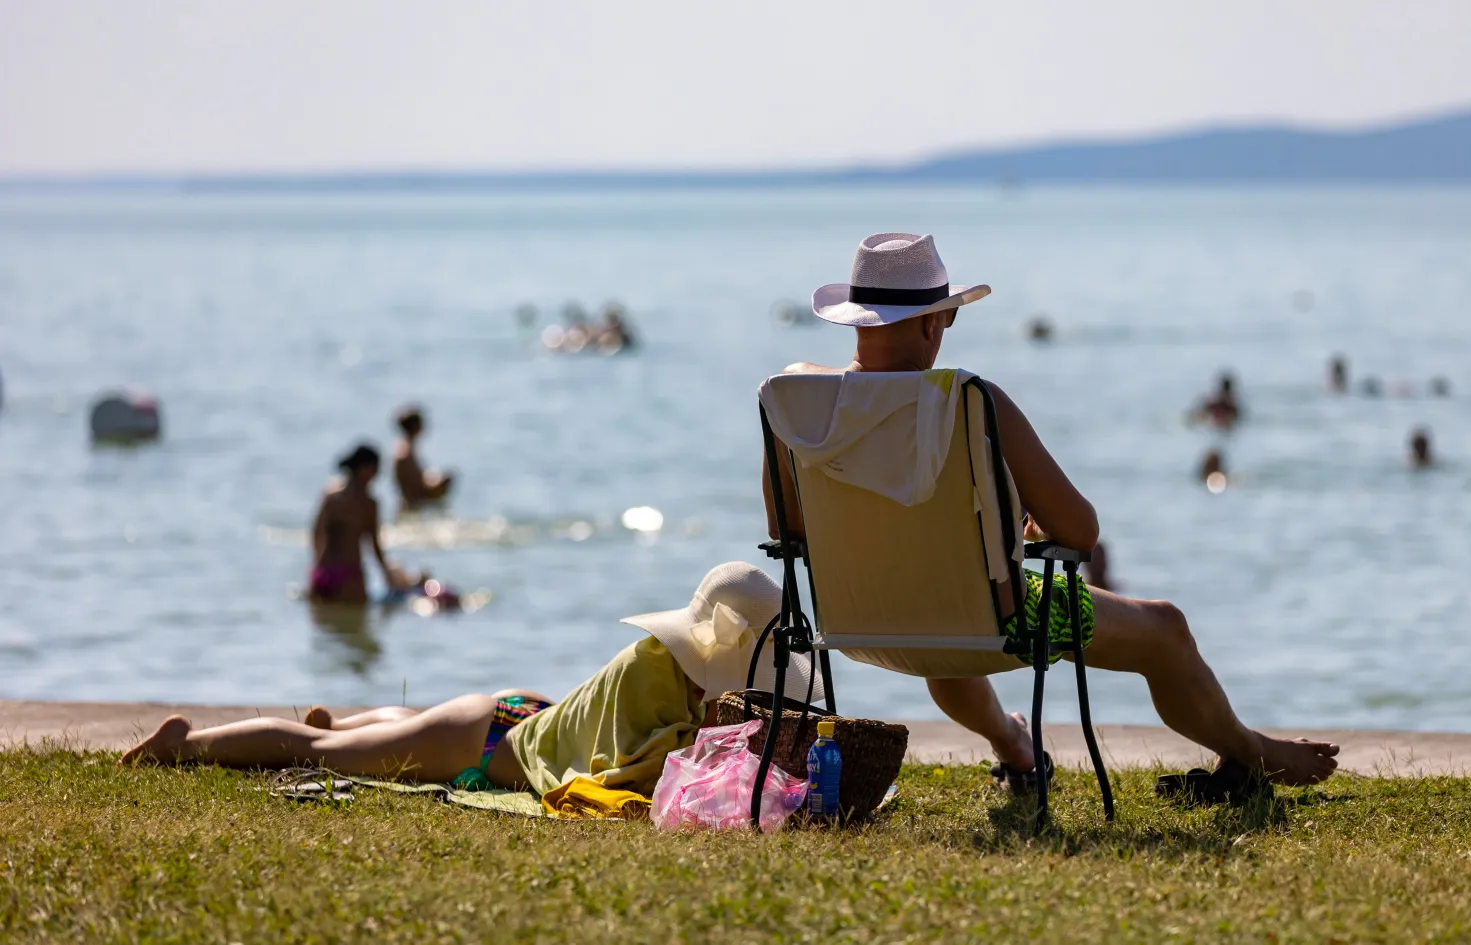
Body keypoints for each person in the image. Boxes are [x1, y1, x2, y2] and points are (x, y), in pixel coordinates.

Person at [763, 232, 1339, 789]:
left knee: (943, 609)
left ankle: (1014, 746)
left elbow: (786, 531)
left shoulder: (796, 403)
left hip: (858, 624)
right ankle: (1252, 753)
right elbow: (1082, 531)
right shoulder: (969, 401)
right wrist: (1018, 527)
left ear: (855, 319)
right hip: (994, 624)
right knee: (1165, 627)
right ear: (934, 321)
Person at [124, 563, 820, 799]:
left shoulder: (655, 665)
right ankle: (186, 744)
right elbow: (639, 775)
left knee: (390, 733)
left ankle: (344, 719)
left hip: (517, 715)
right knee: (322, 758)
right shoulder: (666, 695)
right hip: (485, 741)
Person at [310, 444, 407, 604]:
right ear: (364, 469)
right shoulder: (368, 502)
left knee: (326, 625)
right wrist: (387, 574)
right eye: (375, 470)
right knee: (356, 626)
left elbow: (316, 533)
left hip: (323, 573)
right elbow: (374, 543)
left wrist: (317, 567)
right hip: (350, 576)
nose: (377, 476)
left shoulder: (330, 494)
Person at [392, 406, 454, 508]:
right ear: (415, 426)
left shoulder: (406, 448)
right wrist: (437, 485)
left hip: (411, 503)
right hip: (414, 505)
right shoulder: (405, 452)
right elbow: (415, 485)